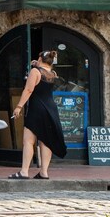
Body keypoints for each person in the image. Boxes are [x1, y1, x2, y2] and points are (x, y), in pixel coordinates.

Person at [9, 50, 67, 179]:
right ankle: (44, 172)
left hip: (37, 108)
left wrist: (19, 106)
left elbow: (29, 89)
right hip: (51, 108)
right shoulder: (53, 74)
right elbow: (44, 71)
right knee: (45, 141)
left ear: (40, 59)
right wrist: (37, 64)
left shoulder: (35, 72)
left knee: (28, 141)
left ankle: (24, 171)